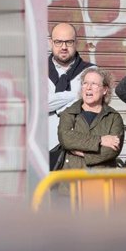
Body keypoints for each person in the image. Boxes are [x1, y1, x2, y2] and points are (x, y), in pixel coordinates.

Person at [57, 66, 125, 169]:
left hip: (101, 181)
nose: (88, 87)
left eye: (94, 84)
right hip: (71, 180)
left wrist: (82, 153)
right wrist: (100, 140)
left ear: (105, 90)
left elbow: (111, 150)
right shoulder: (69, 113)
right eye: (85, 83)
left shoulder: (114, 117)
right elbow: (65, 138)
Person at [48, 23, 94, 162]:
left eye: (68, 42)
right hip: (44, 148)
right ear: (51, 43)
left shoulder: (92, 72)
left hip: (78, 150)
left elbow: (93, 105)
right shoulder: (36, 71)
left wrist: (54, 103)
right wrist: (77, 95)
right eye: (58, 42)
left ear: (76, 43)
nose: (63, 47)